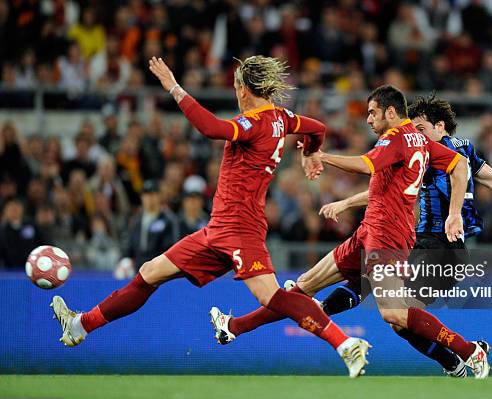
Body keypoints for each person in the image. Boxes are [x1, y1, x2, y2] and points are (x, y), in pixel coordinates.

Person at [50, 55, 370, 378]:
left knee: (273, 296)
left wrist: (174, 87)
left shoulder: (254, 123)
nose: (235, 93)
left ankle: (344, 344)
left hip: (240, 228)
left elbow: (210, 127)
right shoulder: (283, 119)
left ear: (244, 90)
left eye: (235, 87)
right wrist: (310, 152)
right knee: (150, 272)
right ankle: (81, 325)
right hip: (217, 230)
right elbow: (318, 128)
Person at [210, 85, 491, 378]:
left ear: (391, 112)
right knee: (304, 285)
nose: (368, 120)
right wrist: (454, 212)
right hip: (370, 229)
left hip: (387, 235)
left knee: (394, 314)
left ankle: (469, 351)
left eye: (372, 113)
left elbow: (365, 164)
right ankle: (234, 326)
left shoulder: (396, 138)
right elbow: (459, 164)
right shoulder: (419, 140)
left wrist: (322, 155)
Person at [314, 94, 492, 377]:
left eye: (420, 129)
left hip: (441, 249)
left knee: (388, 298)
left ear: (440, 126)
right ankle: (457, 360)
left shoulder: (435, 155)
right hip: (425, 244)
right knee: (397, 316)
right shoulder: (459, 150)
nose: (415, 136)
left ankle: (324, 308)